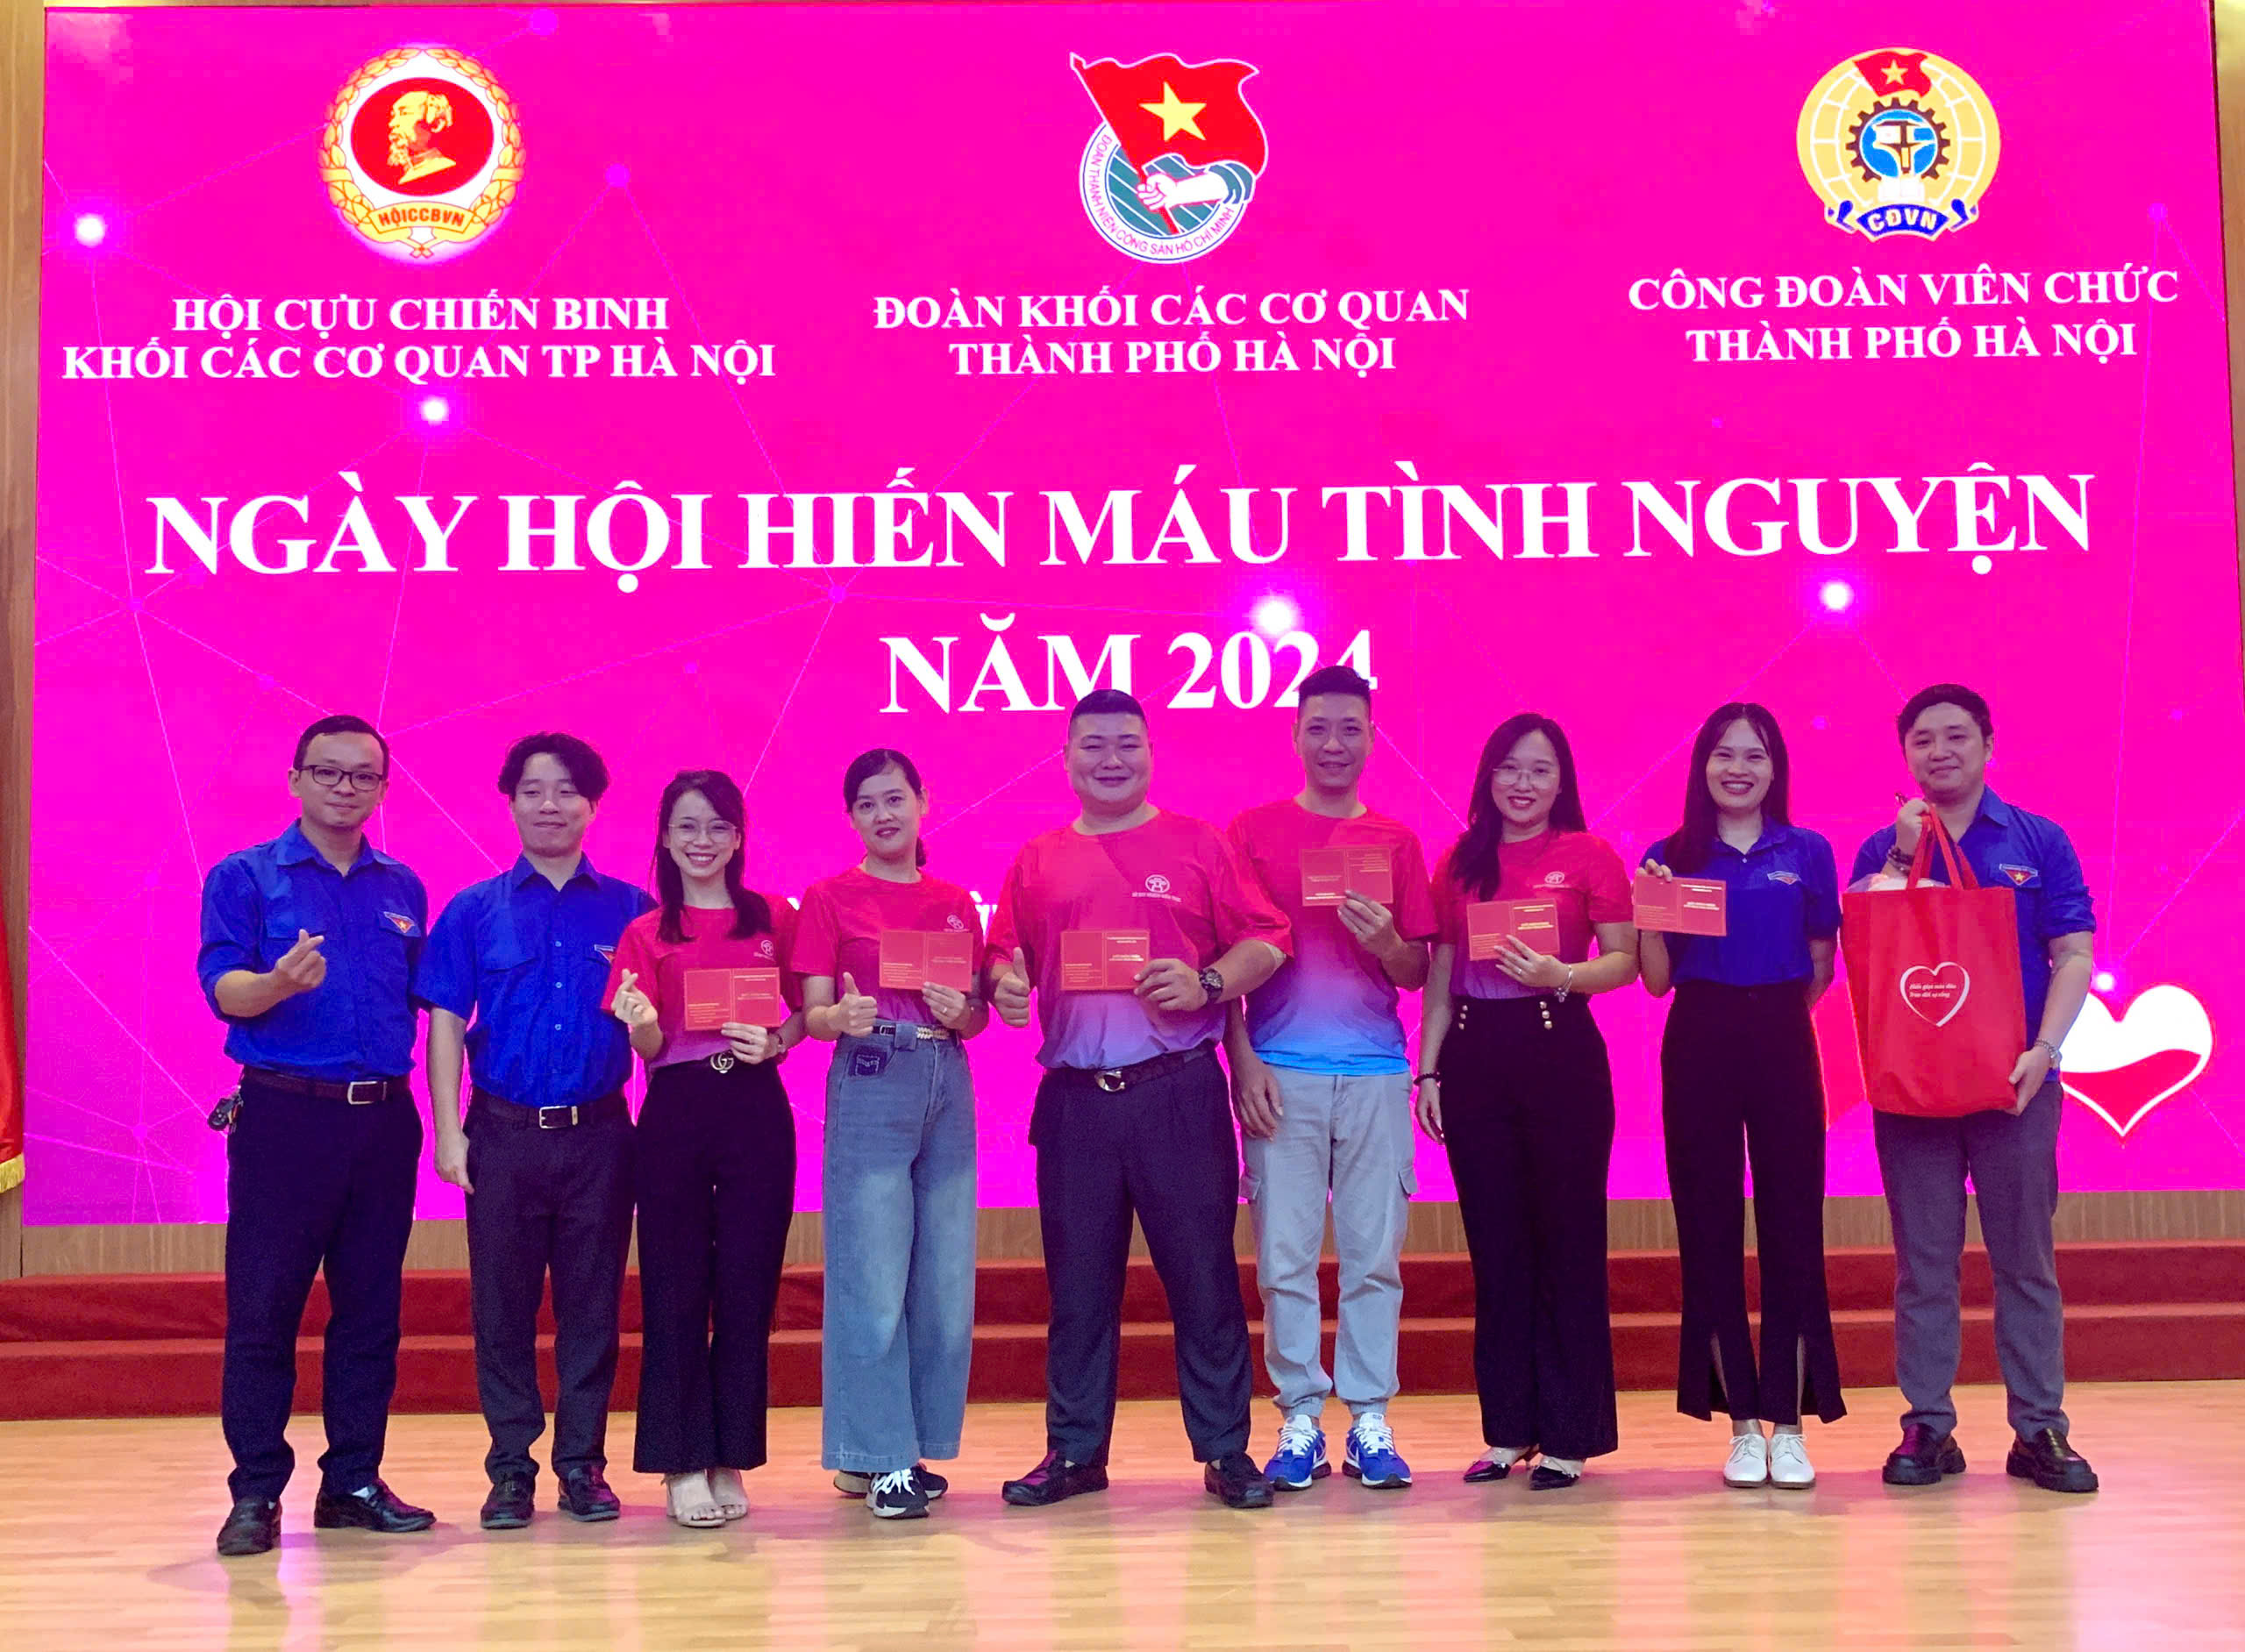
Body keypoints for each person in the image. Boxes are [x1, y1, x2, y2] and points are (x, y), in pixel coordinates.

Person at [987, 688, 1293, 1510]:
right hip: (1076, 1102)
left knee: (1203, 1279)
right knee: (1078, 1289)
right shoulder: (1039, 858)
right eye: (1093, 745)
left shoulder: (1199, 844)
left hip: (1177, 1091)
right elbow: (1003, 954)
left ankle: (1226, 1452)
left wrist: (1207, 984)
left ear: (1152, 752)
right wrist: (1005, 982)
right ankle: (1075, 1452)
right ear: (1066, 759)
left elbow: (1268, 940)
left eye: (1126, 743)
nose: (1110, 759)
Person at [1851, 684, 2099, 1493]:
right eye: (1922, 739)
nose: (1940, 751)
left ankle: (2039, 1430)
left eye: (1956, 736)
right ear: (1905, 754)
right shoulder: (1881, 848)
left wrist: (2045, 1051)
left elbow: (2073, 953)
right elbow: (1866, 958)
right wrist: (1900, 856)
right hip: (1912, 1093)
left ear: (1989, 745)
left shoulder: (2038, 839)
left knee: (2024, 1261)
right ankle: (1928, 1426)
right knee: (1924, 1266)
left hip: (2015, 1087)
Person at [199, 714, 436, 1557]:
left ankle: (353, 1484)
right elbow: (223, 991)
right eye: (329, 772)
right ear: (296, 778)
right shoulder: (246, 877)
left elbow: (425, 1003)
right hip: (285, 1120)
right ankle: (256, 1492)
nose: (345, 787)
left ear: (383, 789)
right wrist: (274, 983)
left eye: (363, 775)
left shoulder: (403, 888)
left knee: (371, 1313)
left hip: (384, 1122)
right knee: (264, 1312)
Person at [421, 732, 653, 1530]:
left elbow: (657, 1030)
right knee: (502, 1308)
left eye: (566, 791)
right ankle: (511, 1470)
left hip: (600, 1135)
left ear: (593, 805)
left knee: (593, 1308)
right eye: (532, 790)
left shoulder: (632, 910)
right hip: (502, 1134)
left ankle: (583, 1466)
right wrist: (448, 1132)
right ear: (511, 802)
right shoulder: (472, 911)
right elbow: (445, 1024)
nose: (549, 805)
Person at [1222, 666, 1435, 1492]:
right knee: (1284, 1258)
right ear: (1295, 735)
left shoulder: (1397, 841)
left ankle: (1370, 1416)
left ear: (1373, 738)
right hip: (1282, 1073)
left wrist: (1386, 942)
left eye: (1350, 728)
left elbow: (1417, 971)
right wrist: (1242, 1061)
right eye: (1319, 727)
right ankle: (1301, 1419)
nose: (1334, 743)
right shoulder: (1253, 832)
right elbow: (1231, 960)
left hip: (1377, 1071)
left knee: (1374, 1257)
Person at [1414, 713, 1636, 1490]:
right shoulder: (1461, 860)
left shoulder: (1589, 855)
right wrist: (1428, 1073)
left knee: (1569, 1243)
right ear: (1488, 776)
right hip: (1474, 1056)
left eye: (1540, 770)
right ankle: (1508, 1429)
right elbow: (1440, 978)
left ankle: (1571, 1435)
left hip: (1559, 1046)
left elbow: (1624, 961)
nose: (1523, 783)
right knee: (1497, 1247)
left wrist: (1560, 976)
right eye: (1509, 767)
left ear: (1561, 781)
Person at [1638, 703, 1844, 1490]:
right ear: (1702, 766)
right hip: (1699, 1036)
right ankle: (1742, 1426)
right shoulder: (1670, 857)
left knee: (1794, 1225)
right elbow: (1656, 982)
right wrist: (1648, 911)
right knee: (1709, 1226)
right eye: (1724, 754)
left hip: (1784, 1036)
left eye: (1754, 755)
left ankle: (1789, 1423)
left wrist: (1773, 1014)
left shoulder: (1808, 850)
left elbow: (1821, 964)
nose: (1738, 768)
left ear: (1774, 768)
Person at [604, 770, 805, 1527]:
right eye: (687, 826)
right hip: (677, 1109)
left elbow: (805, 1014)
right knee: (675, 1284)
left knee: (749, 1287)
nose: (702, 841)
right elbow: (650, 1046)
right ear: (664, 837)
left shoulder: (773, 917)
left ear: (738, 836)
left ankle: (731, 1456)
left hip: (755, 1105)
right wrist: (640, 1025)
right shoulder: (647, 931)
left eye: (718, 826)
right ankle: (682, 1461)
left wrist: (777, 1041)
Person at [795, 750, 987, 1520]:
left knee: (944, 1278)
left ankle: (907, 1445)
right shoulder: (829, 898)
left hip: (948, 1076)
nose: (884, 814)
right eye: (868, 804)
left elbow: (977, 1012)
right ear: (851, 818)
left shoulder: (956, 902)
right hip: (872, 1070)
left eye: (895, 799)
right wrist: (837, 1018)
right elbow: (813, 1014)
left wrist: (963, 1012)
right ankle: (883, 1458)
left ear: (922, 802)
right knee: (871, 1277)